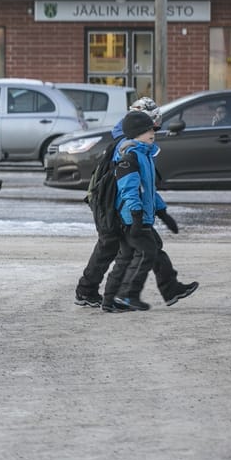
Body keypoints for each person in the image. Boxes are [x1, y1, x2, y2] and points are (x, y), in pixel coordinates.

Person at [73, 97, 195, 309]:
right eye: (153, 124)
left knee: (134, 249)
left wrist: (160, 210)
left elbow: (145, 186)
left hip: (120, 209)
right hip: (113, 208)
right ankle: (99, 294)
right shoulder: (128, 146)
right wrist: (134, 215)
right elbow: (127, 185)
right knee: (115, 249)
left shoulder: (137, 143)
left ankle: (101, 293)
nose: (155, 130)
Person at [101, 110, 199, 313]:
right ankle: (127, 296)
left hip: (139, 216)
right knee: (148, 251)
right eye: (147, 131)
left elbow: (148, 190)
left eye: (153, 129)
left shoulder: (145, 154)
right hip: (130, 217)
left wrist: (163, 213)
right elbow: (128, 190)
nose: (152, 133)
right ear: (135, 133)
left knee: (128, 256)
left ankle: (110, 300)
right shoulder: (130, 156)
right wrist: (136, 218)